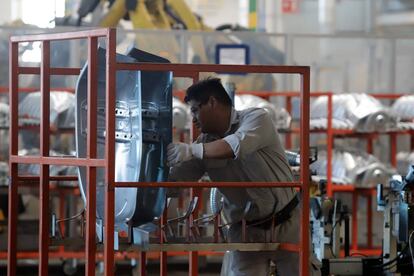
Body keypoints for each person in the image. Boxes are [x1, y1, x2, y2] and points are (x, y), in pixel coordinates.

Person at [167, 78, 300, 275]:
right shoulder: (202, 145)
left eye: (195, 110)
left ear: (212, 102)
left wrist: (192, 150)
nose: (193, 119)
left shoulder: (256, 118)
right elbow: (173, 182)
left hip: (287, 225)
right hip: (246, 231)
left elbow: (235, 146)